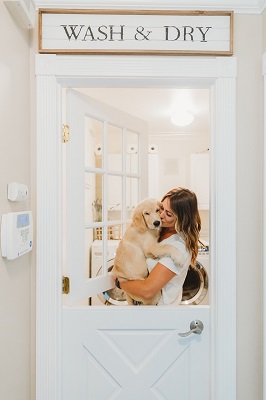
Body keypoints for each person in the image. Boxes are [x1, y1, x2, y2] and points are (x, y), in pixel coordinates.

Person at [116, 187, 201, 305]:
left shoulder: (178, 247)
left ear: (181, 219)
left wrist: (119, 283)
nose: (160, 215)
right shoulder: (158, 230)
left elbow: (147, 291)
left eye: (168, 214)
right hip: (140, 308)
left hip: (160, 313)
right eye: (161, 209)